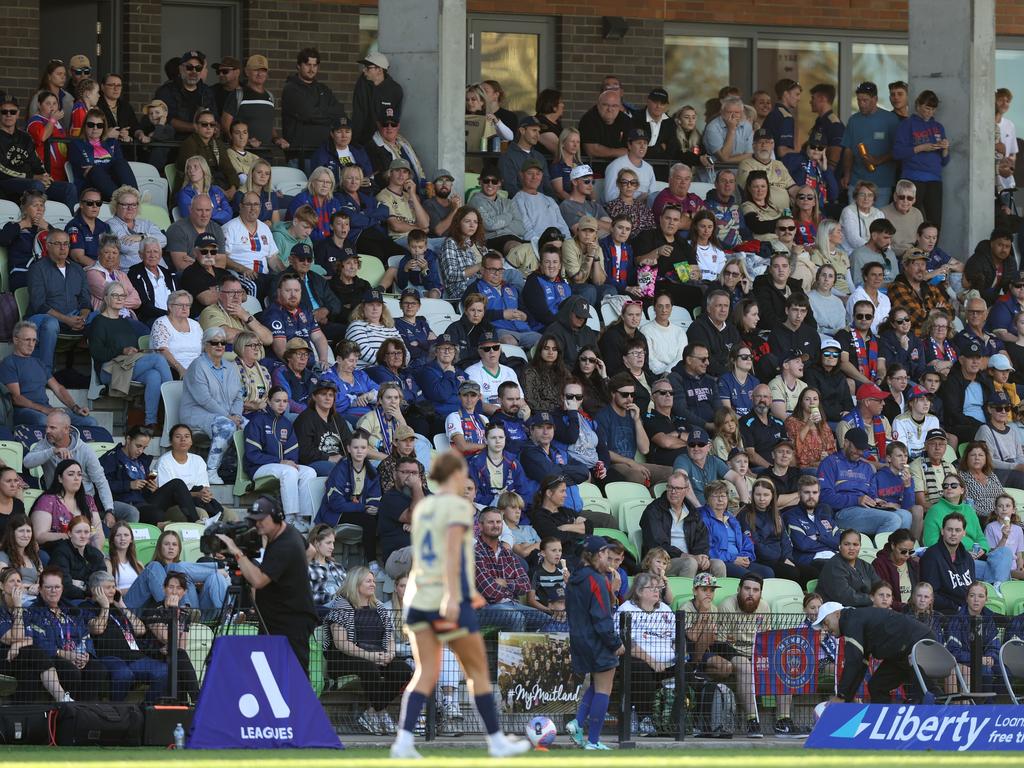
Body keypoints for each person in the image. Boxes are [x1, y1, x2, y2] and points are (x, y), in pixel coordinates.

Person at [389, 452, 530, 758]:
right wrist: (454, 597)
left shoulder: (424, 508)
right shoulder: (455, 508)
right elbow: (452, 552)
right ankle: (496, 741)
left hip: (419, 596)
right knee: (477, 672)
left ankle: (403, 742)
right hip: (446, 599)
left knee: (425, 673)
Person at [213, 495, 317, 674]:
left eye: (262, 519)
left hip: (290, 621)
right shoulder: (288, 531)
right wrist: (288, 574)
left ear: (277, 517)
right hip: (276, 617)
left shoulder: (285, 544)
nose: (258, 524)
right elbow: (311, 551)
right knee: (270, 672)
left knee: (295, 674)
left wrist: (237, 552)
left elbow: (258, 580)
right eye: (255, 520)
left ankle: (301, 703)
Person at [323, 565, 410, 735]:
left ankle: (372, 712)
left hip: (376, 655)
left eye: (373, 581)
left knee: (403, 669)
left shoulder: (378, 607)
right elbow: (342, 644)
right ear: (356, 584)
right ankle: (381, 712)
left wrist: (390, 654)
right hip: (344, 658)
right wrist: (370, 656)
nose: (373, 584)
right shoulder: (342, 606)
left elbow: (390, 638)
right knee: (368, 667)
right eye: (368, 581)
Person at [563, 535, 624, 751]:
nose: (608, 559)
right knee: (604, 690)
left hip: (578, 639)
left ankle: (578, 724)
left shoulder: (574, 578)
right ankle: (593, 740)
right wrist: (616, 643)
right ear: (598, 555)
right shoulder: (597, 580)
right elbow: (602, 617)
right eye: (606, 555)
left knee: (597, 685)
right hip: (597, 640)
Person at [812, 601, 939, 704]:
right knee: (877, 686)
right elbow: (860, 665)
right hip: (903, 652)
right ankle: (884, 727)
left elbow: (853, 661)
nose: (825, 628)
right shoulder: (856, 621)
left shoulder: (851, 620)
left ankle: (948, 716)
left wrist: (841, 695)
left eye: (825, 622)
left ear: (837, 614)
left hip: (918, 642)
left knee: (925, 690)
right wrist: (846, 697)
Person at [82, 570, 167, 703]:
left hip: (134, 657)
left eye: (114, 587)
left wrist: (122, 605)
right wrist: (104, 607)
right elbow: (97, 629)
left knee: (163, 671)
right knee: (123, 674)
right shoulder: (86, 607)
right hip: (110, 657)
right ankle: (117, 710)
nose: (113, 591)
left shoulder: (118, 608)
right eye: (108, 587)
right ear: (95, 590)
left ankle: (147, 710)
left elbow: (140, 630)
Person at [26, 566, 109, 701]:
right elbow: (38, 643)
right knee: (71, 671)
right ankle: (69, 710)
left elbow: (85, 634)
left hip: (76, 655)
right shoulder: (33, 612)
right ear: (40, 589)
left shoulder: (71, 610)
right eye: (48, 587)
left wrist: (85, 655)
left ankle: (85, 710)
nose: (53, 591)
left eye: (57, 587)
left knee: (98, 669)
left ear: (62, 589)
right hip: (53, 659)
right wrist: (65, 655)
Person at [244, 387, 319, 530]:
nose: (281, 404)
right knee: (289, 471)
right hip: (257, 467)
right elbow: (252, 454)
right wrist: (280, 462)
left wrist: (289, 462)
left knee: (310, 472)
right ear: (268, 401)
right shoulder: (257, 420)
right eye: (277, 401)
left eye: (285, 401)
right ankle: (290, 518)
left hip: (279, 467)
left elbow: (292, 453)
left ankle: (303, 517)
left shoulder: (286, 423)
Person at [179, 327, 243, 485]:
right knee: (226, 426)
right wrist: (229, 418)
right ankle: (211, 471)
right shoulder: (197, 365)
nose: (220, 346)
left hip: (225, 415)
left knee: (252, 427)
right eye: (214, 342)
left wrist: (237, 416)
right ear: (205, 345)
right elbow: (204, 399)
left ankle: (239, 471)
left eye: (223, 343)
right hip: (197, 413)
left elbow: (238, 396)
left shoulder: (231, 367)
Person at [922, 477, 1014, 588]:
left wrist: (982, 549)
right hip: (957, 560)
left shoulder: (969, 510)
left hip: (978, 556)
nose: (949, 488)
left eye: (953, 485)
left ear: (962, 490)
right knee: (1003, 570)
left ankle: (997, 585)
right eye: (945, 486)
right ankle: (999, 585)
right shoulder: (934, 510)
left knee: (1005, 552)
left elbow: (980, 538)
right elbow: (931, 542)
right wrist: (961, 553)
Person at [614, 571, 675, 736]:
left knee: (687, 670)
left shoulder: (665, 609)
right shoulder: (626, 609)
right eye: (651, 588)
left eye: (658, 588)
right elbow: (626, 643)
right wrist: (652, 661)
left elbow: (676, 640)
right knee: (640, 668)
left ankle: (685, 720)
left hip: (667, 662)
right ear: (639, 591)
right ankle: (643, 717)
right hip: (637, 660)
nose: (657, 591)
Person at [100, 426, 200, 525]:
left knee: (177, 483)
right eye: (138, 446)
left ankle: (196, 523)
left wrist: (151, 488)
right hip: (126, 504)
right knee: (157, 514)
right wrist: (129, 484)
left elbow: (145, 490)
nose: (141, 451)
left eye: (144, 447)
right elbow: (102, 486)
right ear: (128, 439)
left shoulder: (142, 460)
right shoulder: (111, 458)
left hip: (144, 501)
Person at [2, 321, 95, 428]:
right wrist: (45, 410)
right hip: (23, 411)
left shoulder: (39, 363)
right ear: (16, 340)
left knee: (90, 422)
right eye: (27, 339)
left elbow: (59, 389)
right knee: (44, 421)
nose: (31, 344)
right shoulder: (9, 363)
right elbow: (16, 398)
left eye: (34, 340)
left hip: (46, 410)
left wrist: (75, 408)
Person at [819, 428, 911, 535]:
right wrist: (856, 500)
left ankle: (899, 550)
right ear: (846, 443)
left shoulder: (867, 468)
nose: (860, 452)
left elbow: (871, 494)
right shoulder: (830, 462)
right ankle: (882, 551)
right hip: (843, 512)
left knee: (906, 516)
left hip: (867, 509)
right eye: (857, 448)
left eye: (862, 449)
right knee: (892, 519)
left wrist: (877, 501)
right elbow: (824, 497)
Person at [316, 430, 382, 566]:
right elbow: (335, 503)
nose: (359, 451)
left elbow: (374, 496)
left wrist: (374, 507)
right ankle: (373, 563)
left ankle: (387, 562)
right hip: (336, 513)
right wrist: (363, 507)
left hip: (359, 511)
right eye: (356, 447)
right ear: (349, 449)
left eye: (363, 448)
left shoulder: (372, 471)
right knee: (369, 520)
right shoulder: (340, 469)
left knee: (382, 517)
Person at [893, 92, 949, 227]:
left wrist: (945, 148)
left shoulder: (938, 127)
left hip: (934, 179)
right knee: (910, 218)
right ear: (918, 106)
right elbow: (896, 153)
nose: (930, 112)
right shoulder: (907, 124)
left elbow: (945, 161)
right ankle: (910, 247)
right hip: (913, 177)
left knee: (935, 221)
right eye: (927, 108)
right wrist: (920, 148)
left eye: (933, 109)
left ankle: (931, 247)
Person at [150, 425, 223, 521]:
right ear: (171, 441)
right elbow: (171, 494)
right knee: (201, 512)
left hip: (195, 501)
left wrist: (205, 495)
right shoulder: (164, 462)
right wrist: (197, 494)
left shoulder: (198, 460)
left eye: (187, 436)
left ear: (191, 441)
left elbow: (203, 487)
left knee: (229, 515)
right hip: (172, 504)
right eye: (178, 436)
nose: (183, 439)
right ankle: (198, 525)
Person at [67, 108, 137, 198]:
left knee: (121, 163)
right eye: (91, 124)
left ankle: (134, 195)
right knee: (95, 171)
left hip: (113, 182)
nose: (95, 128)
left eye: (99, 125)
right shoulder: (76, 144)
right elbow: (85, 169)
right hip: (91, 185)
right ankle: (121, 199)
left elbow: (118, 164)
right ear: (85, 126)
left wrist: (97, 166)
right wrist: (106, 166)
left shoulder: (112, 142)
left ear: (104, 127)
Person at [46, 515, 106, 602]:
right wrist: (87, 593)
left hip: (94, 599)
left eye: (86, 532)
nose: (83, 536)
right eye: (78, 532)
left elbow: (102, 583)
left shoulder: (96, 554)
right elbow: (64, 586)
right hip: (68, 600)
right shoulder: (61, 552)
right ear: (69, 533)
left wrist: (83, 585)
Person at [817, 529, 874, 606]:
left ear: (860, 546)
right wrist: (873, 599)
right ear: (840, 546)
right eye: (847, 544)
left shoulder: (865, 565)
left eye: (855, 544)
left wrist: (881, 597)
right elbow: (847, 598)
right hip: (839, 611)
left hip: (863, 606)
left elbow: (879, 585)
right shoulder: (834, 566)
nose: (851, 548)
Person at [872, 528, 919, 611]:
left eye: (911, 552)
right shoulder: (879, 564)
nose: (907, 555)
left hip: (912, 612)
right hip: (891, 612)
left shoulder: (913, 565)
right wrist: (905, 607)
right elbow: (881, 596)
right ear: (893, 545)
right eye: (903, 551)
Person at [959, 440, 1006, 520]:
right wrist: (992, 515)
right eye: (973, 455)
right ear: (966, 458)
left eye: (981, 455)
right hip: (979, 519)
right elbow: (964, 503)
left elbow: (1004, 497)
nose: (977, 458)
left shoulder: (991, 475)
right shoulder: (961, 477)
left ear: (986, 459)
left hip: (1000, 517)